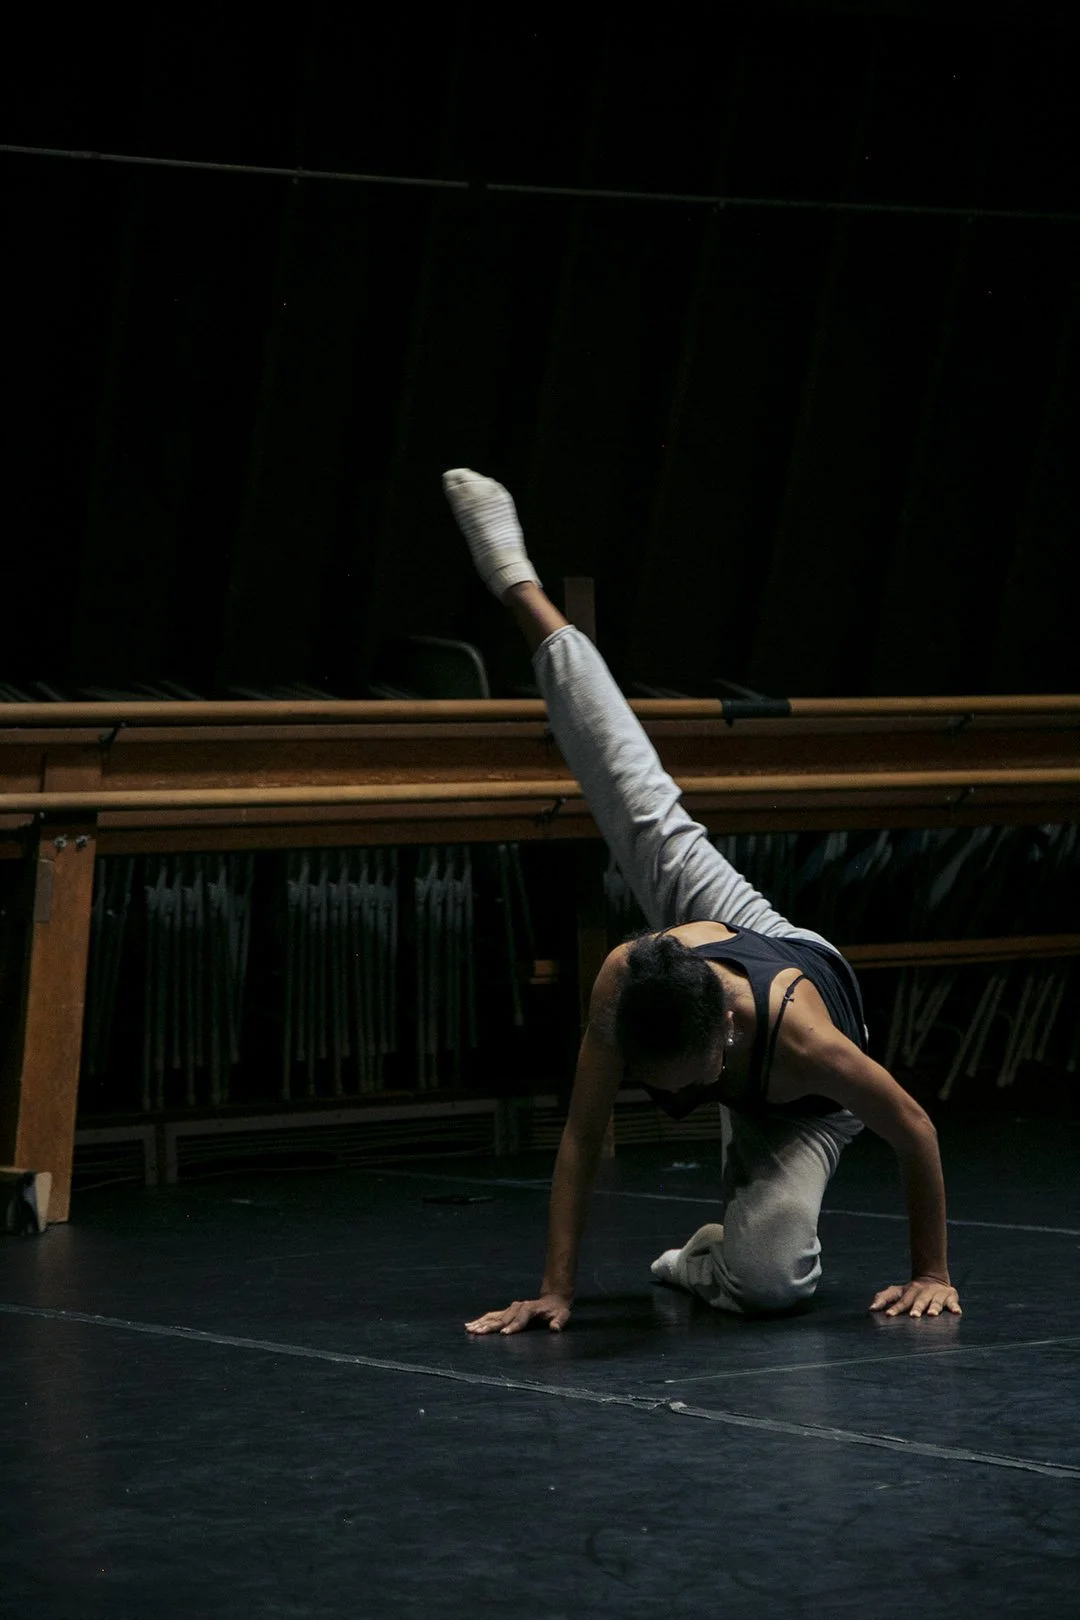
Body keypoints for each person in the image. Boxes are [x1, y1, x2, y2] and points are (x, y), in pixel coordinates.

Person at [442, 467, 962, 1334]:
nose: (682, 1101)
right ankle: (517, 582)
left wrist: (932, 1271)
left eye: (693, 1086)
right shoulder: (628, 981)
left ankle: (698, 1258)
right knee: (640, 807)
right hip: (733, 931)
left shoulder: (814, 1053)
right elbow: (578, 1138)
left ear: (724, 1034)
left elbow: (914, 1129)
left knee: (769, 1285)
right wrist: (556, 1290)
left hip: (800, 1096)